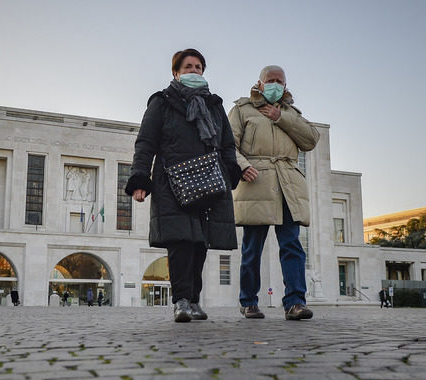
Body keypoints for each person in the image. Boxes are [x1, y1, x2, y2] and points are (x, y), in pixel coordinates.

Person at [125, 48, 242, 323]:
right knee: (180, 242)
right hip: (172, 180)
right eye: (188, 67)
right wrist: (141, 178)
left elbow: (226, 143)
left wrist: (230, 173)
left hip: (208, 181)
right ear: (176, 73)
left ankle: (194, 300)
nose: (194, 71)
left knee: (200, 242)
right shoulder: (162, 102)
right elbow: (146, 142)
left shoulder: (214, 105)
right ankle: (181, 300)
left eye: (198, 67)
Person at [229, 65, 320, 321]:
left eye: (280, 81)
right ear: (259, 83)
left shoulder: (291, 113)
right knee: (252, 248)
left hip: (288, 184)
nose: (275, 85)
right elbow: (227, 144)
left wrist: (281, 117)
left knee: (292, 245)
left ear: (286, 85)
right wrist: (243, 165)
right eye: (271, 80)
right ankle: (248, 301)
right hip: (256, 181)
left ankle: (295, 302)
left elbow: (311, 140)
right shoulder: (242, 110)